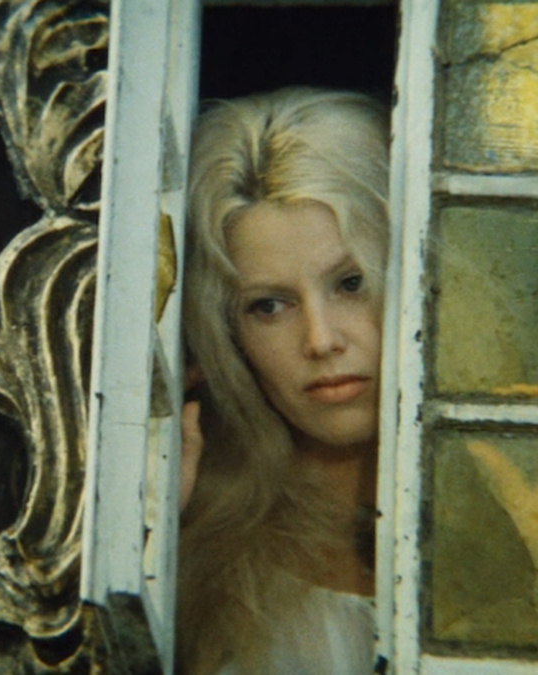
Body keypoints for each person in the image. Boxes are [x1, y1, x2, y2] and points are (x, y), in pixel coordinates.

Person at [176, 87, 390, 675]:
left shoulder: (536, 497)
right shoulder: (191, 539)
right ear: (226, 333)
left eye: (351, 284)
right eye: (269, 305)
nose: (321, 341)